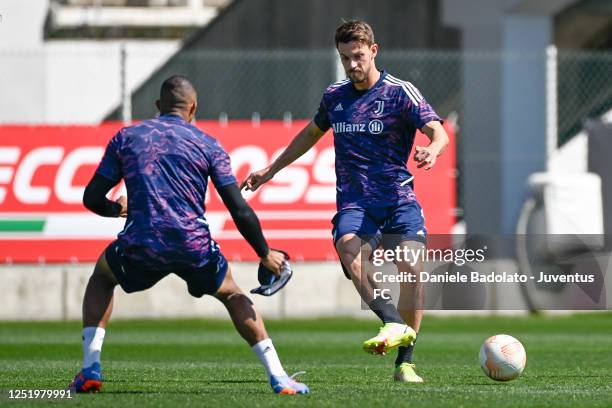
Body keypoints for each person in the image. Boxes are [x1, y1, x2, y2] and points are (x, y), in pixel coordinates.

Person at [68, 75, 309, 395]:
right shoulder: (208, 144)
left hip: (143, 242)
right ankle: (278, 376)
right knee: (233, 294)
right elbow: (239, 209)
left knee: (102, 277)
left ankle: (90, 369)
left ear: (158, 106)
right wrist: (264, 252)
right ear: (193, 108)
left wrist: (117, 209)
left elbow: (91, 198)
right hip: (193, 245)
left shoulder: (127, 138)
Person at [242, 20, 449, 383]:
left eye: (357, 56)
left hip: (398, 200)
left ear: (373, 50)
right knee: (350, 252)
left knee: (414, 273)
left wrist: (432, 148)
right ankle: (392, 323)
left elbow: (438, 130)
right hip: (355, 203)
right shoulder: (335, 96)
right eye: (344, 58)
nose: (352, 65)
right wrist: (271, 170)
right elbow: (310, 134)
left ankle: (405, 363)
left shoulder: (401, 92)